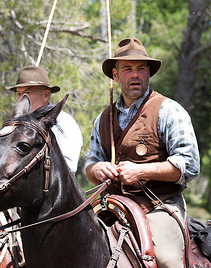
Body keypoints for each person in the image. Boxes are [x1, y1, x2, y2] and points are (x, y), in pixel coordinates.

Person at [85, 38, 200, 268]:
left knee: (167, 260)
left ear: (148, 73)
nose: (135, 74)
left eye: (140, 68)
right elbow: (90, 163)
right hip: (113, 205)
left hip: (158, 205)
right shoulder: (103, 119)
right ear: (116, 76)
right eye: (127, 69)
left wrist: (141, 171)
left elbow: (190, 164)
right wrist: (97, 169)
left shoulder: (168, 110)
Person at [6, 66, 83, 173]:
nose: (21, 99)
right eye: (19, 93)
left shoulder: (63, 122)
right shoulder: (16, 124)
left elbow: (67, 168)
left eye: (27, 93)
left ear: (46, 95)